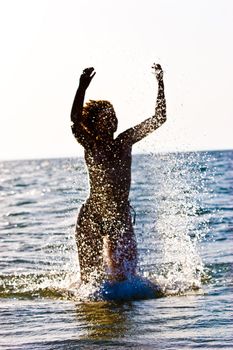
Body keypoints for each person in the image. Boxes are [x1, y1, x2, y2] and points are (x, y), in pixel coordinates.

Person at [71, 64, 166, 284]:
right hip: (92, 216)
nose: (112, 120)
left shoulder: (125, 141)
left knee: (126, 283)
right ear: (95, 123)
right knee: (91, 284)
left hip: (120, 216)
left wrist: (160, 83)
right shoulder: (90, 144)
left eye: (113, 116)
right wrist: (81, 87)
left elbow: (159, 118)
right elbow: (75, 120)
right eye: (106, 117)